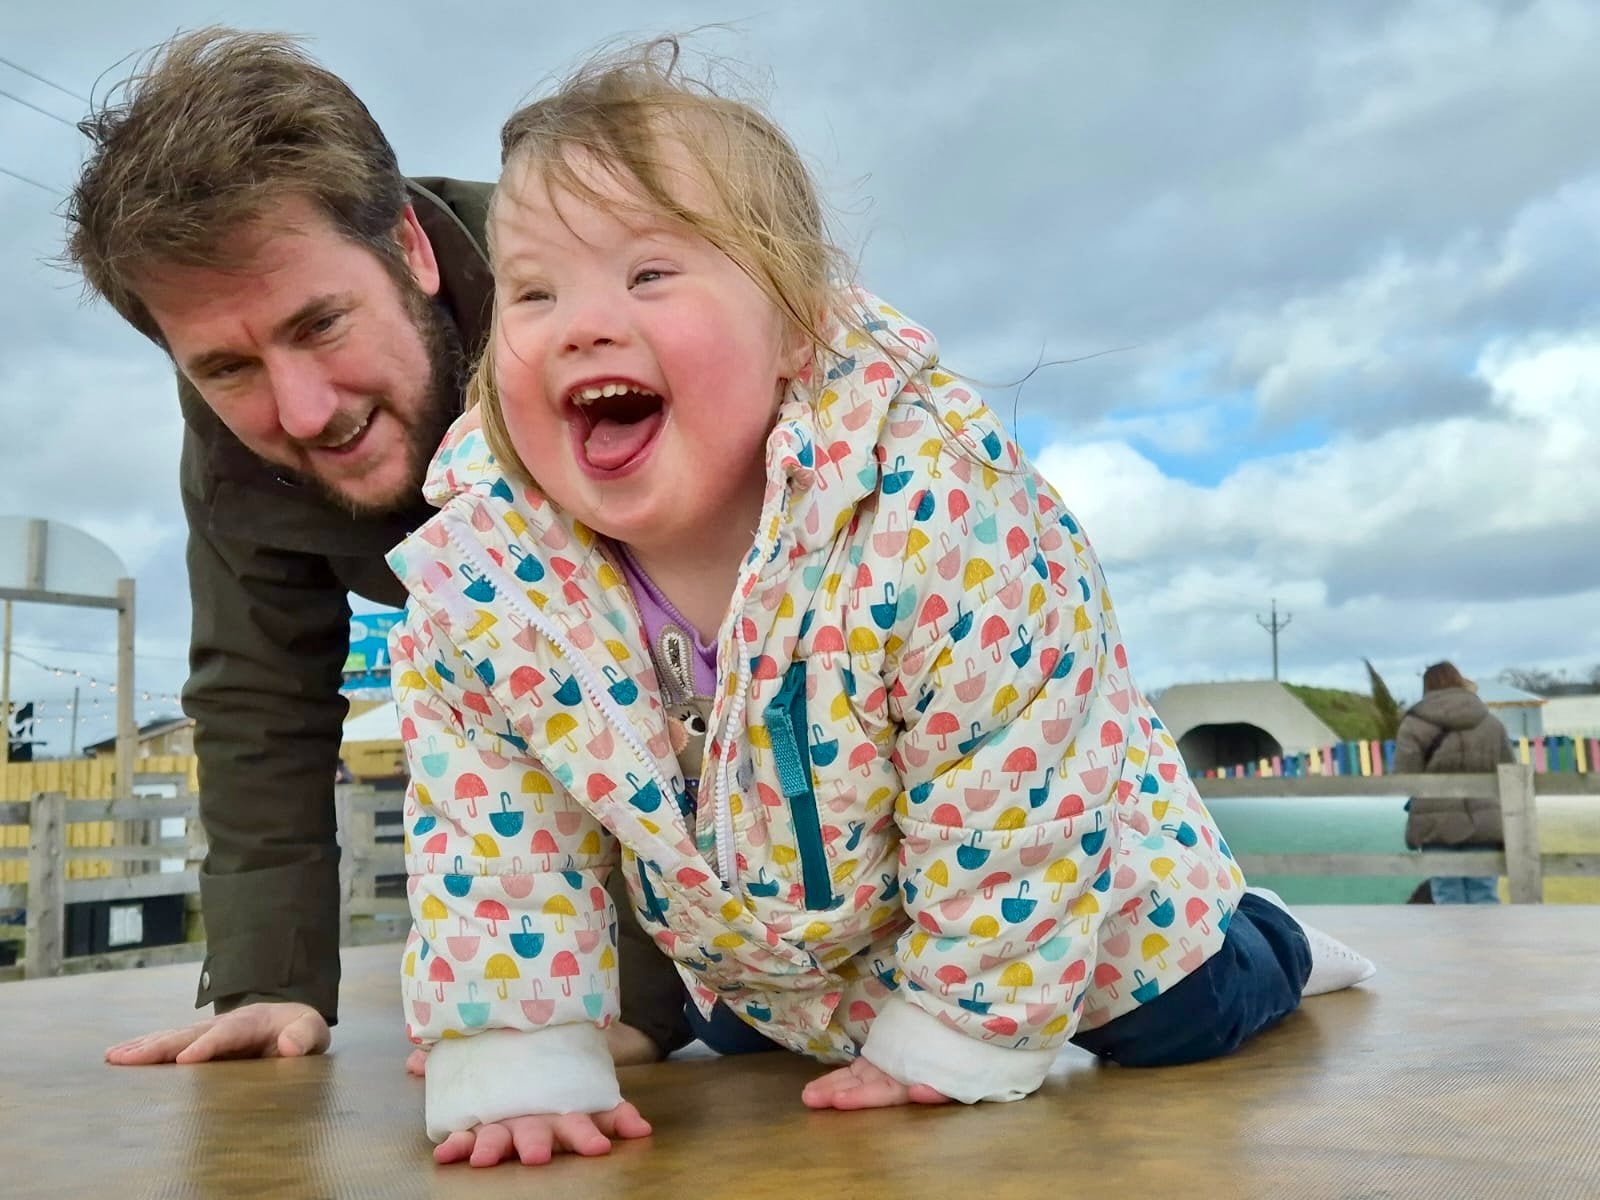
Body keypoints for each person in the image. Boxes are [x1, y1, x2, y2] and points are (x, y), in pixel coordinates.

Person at [387, 38, 1376, 1167]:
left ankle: (1274, 938)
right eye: (533, 290)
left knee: (1170, 1015)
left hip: (1066, 890)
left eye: (650, 273)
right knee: (753, 1051)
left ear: (797, 328)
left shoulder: (936, 509)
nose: (579, 322)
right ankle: (848, 1007)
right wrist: (517, 1055)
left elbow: (1013, 781)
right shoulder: (490, 586)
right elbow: (490, 832)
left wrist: (961, 1032)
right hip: (778, 955)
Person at [63, 27, 687, 1070]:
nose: (301, 414)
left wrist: (639, 1000)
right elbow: (260, 700)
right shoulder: (234, 441)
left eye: (320, 325)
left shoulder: (596, 300)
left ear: (409, 247)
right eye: (223, 366)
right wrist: (268, 982)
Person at [1394, 661, 1516, 904]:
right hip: (1484, 820)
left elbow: (1406, 775)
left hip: (1435, 821)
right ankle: (1488, 942)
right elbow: (1510, 772)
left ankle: (1451, 944)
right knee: (1484, 892)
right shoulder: (1491, 723)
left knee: (1446, 893)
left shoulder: (1414, 724)